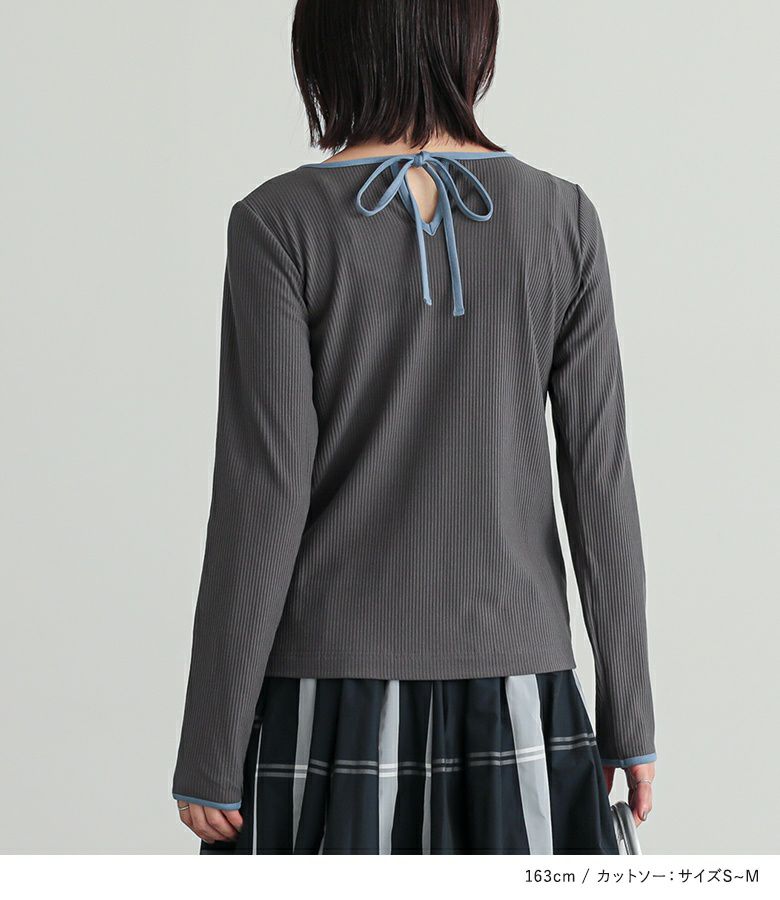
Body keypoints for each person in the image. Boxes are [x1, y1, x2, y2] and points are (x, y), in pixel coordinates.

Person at [171, 0, 656, 854]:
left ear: (326, 45)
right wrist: (632, 717)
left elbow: (263, 491)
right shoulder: (562, 216)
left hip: (327, 695)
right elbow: (600, 480)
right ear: (473, 39)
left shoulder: (279, 221)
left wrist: (213, 743)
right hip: (520, 688)